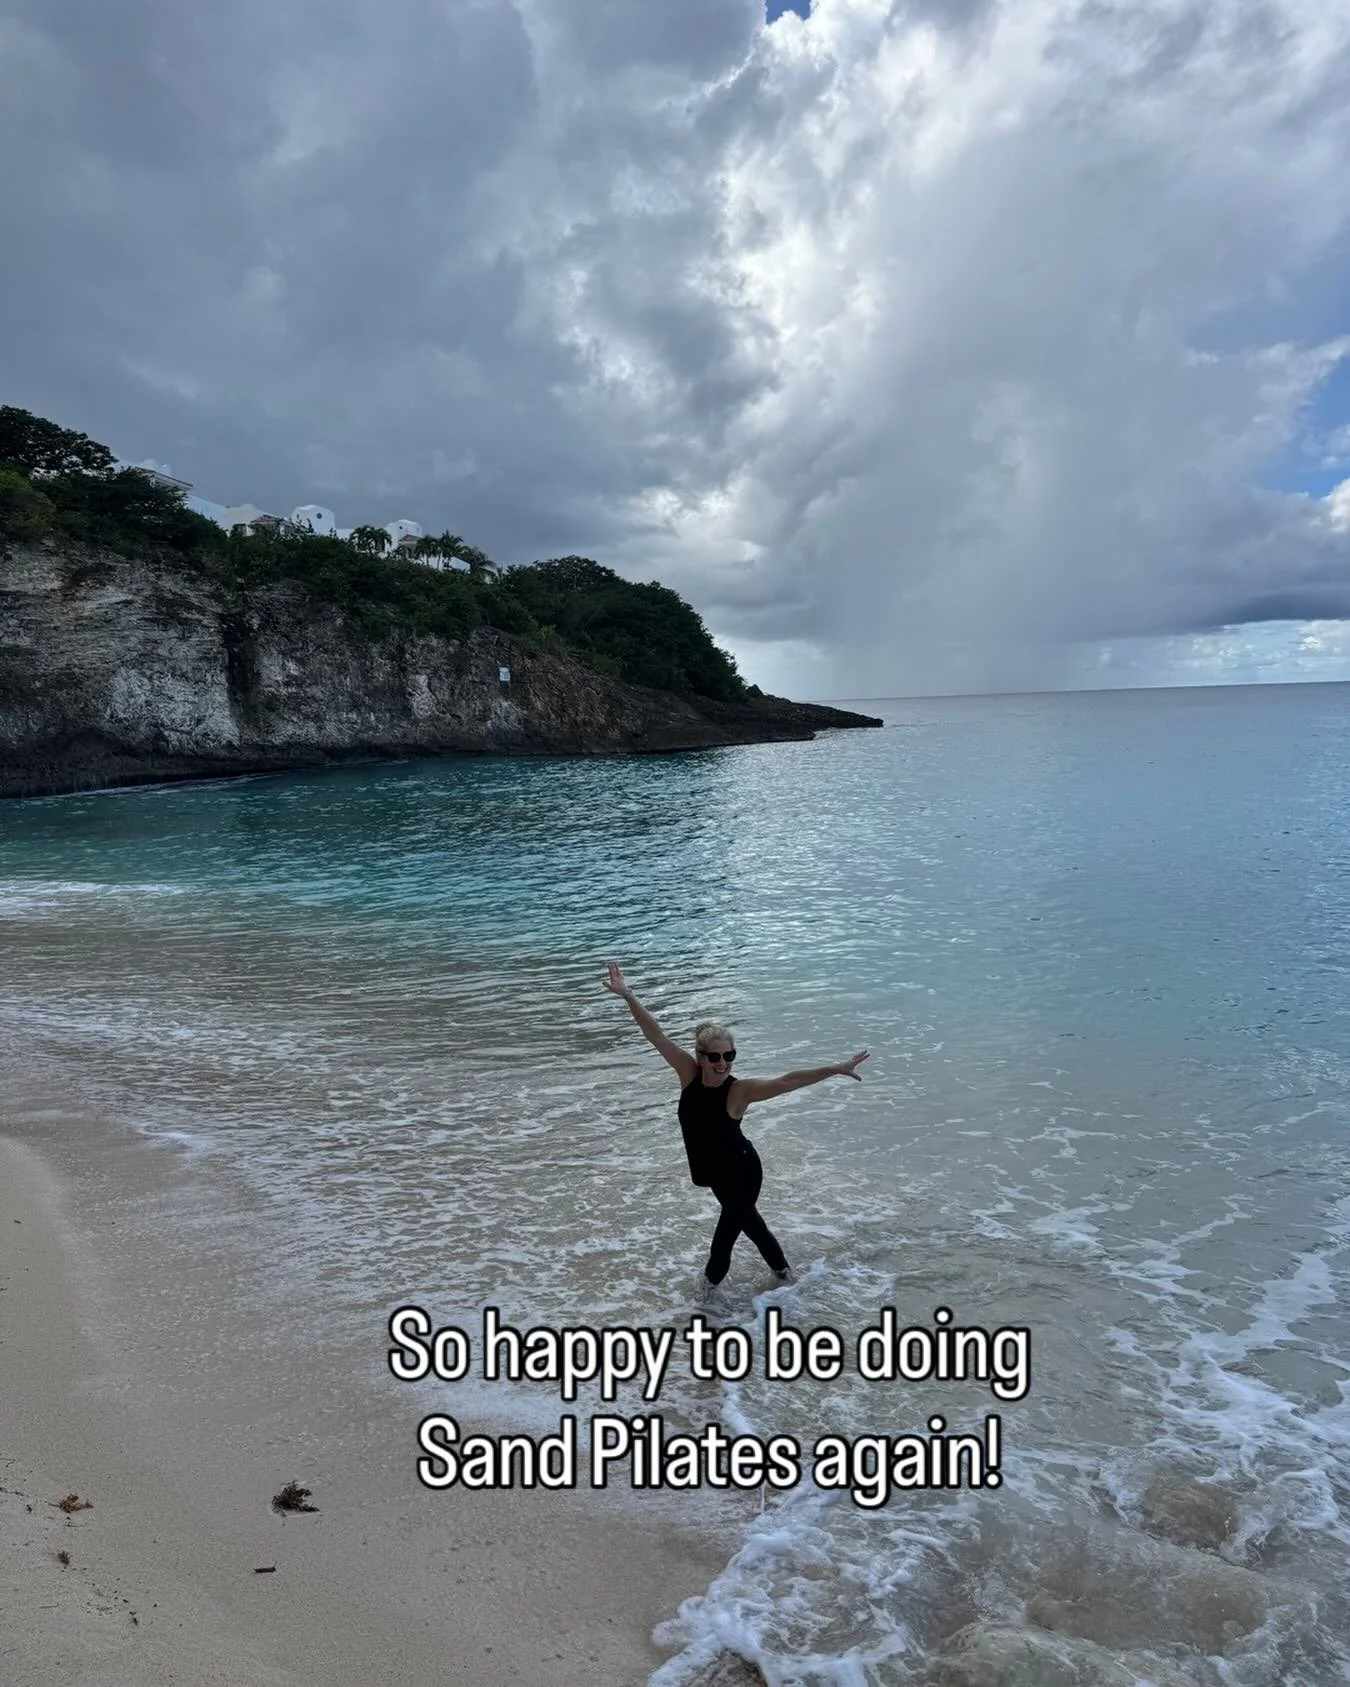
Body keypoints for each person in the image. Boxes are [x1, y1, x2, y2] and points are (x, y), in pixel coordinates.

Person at [604, 962, 869, 1300]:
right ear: (700, 1057)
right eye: (714, 1056)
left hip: (743, 1172)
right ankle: (787, 1278)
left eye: (729, 1055)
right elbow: (656, 1035)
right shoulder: (687, 1074)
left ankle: (706, 1301)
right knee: (752, 1226)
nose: (722, 1062)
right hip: (715, 1174)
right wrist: (628, 995)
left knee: (725, 1238)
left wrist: (835, 1068)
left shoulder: (739, 1091)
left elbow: (789, 1080)